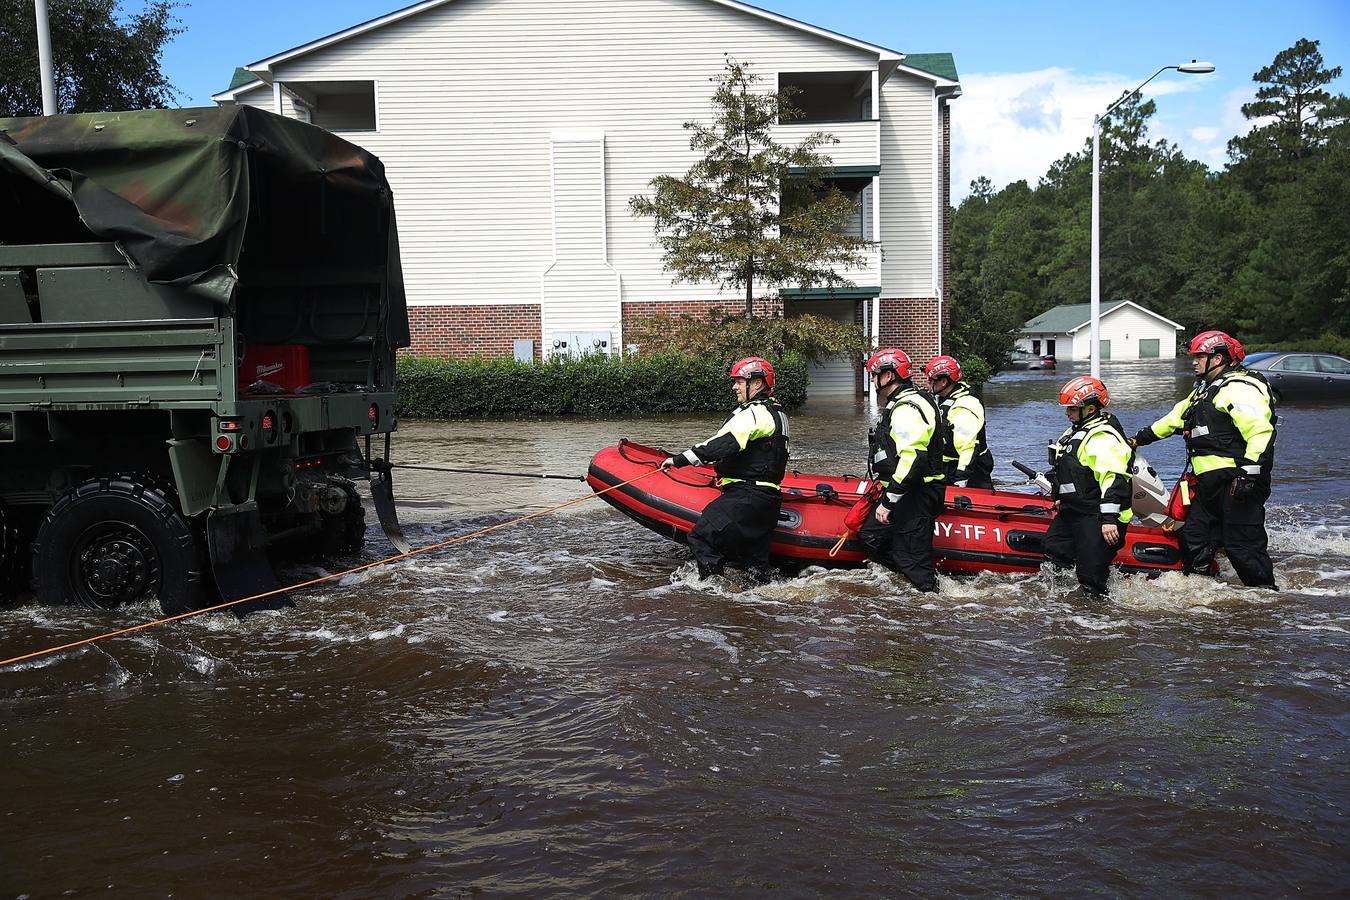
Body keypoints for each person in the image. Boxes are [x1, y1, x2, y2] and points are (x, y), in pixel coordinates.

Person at [1130, 330, 1277, 588]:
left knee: (1241, 545)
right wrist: (1138, 439)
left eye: (1200, 356)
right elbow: (1174, 419)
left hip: (1238, 482)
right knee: (1194, 537)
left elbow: (1260, 432)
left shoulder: (1240, 388)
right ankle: (1206, 592)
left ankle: (1265, 596)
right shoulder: (1203, 391)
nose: (1194, 361)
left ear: (1218, 358)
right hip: (1207, 484)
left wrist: (1248, 475)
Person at [661, 356, 789, 580]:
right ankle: (755, 606)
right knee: (753, 566)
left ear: (757, 383)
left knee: (701, 538)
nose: (734, 387)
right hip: (767, 501)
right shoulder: (777, 413)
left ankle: (714, 594)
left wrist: (679, 460)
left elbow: (722, 446)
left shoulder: (754, 413)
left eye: (739, 381)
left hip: (746, 498)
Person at [859, 348, 948, 593]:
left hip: (917, 493)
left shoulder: (907, 408)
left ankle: (929, 600)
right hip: (907, 490)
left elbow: (913, 459)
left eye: (875, 375)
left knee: (913, 560)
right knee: (870, 536)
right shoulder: (907, 401)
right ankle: (898, 589)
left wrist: (889, 501)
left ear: (888, 377)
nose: (873, 381)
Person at [1044, 375, 1134, 595]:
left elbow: (1113, 480)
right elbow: (1067, 468)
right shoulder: (1074, 431)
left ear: (1091, 409)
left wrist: (1109, 520)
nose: (1067, 413)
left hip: (1097, 515)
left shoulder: (1103, 438)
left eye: (1072, 409)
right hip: (1073, 510)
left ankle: (1097, 617)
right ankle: (1062, 606)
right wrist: (1058, 495)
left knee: (1091, 575)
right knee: (1054, 550)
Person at [923, 355, 995, 489]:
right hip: (947, 466)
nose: (927, 383)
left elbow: (968, 446)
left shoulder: (965, 404)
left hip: (969, 469)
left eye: (930, 380)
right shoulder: (945, 397)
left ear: (943, 382)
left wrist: (961, 478)